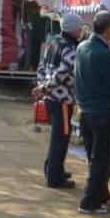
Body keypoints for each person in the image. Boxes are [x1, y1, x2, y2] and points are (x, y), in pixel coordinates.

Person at [73, 11, 110, 215]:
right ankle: (89, 202)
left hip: (85, 110)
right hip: (102, 111)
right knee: (102, 159)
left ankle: (102, 195)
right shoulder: (103, 53)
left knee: (94, 157)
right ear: (109, 29)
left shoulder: (82, 47)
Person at [34, 13, 81, 189]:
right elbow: (62, 74)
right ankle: (55, 178)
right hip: (62, 99)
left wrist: (42, 86)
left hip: (51, 98)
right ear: (73, 29)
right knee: (60, 139)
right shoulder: (70, 48)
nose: (80, 31)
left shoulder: (53, 43)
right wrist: (45, 88)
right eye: (79, 28)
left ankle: (54, 169)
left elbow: (41, 66)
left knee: (58, 137)